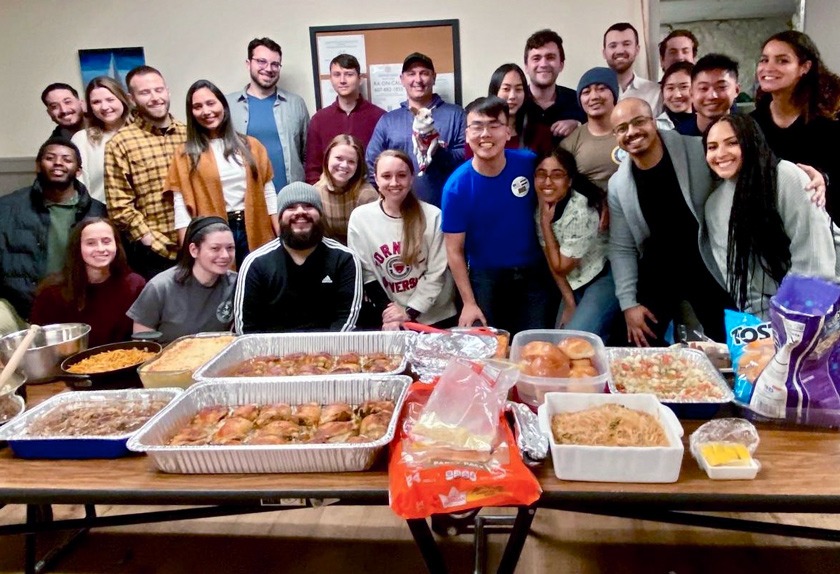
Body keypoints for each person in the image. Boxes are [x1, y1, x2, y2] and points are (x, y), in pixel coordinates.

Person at [607, 98, 734, 346]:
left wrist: (805, 174)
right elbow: (621, 247)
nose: (631, 132)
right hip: (658, 268)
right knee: (633, 343)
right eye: (622, 128)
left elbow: (746, 172)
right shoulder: (619, 185)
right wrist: (628, 303)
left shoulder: (699, 150)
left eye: (638, 122)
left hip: (708, 260)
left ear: (654, 122)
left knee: (732, 343)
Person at [702, 114, 838, 318]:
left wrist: (792, 323)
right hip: (779, 315)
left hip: (826, 296)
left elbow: (814, 263)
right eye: (712, 147)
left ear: (751, 142)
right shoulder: (714, 206)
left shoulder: (787, 177)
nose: (720, 153)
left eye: (732, 143)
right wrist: (766, 326)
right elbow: (741, 284)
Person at [442, 96, 554, 335]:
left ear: (508, 131)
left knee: (534, 347)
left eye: (494, 125)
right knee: (493, 352)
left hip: (534, 274)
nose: (485, 134)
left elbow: (562, 181)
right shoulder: (456, 187)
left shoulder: (528, 163)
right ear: (466, 133)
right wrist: (469, 303)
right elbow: (454, 250)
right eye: (477, 126)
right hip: (486, 280)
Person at [167, 79, 277, 270]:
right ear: (191, 113)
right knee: (221, 289)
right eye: (197, 106)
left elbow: (269, 196)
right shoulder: (185, 154)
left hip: (255, 227)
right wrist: (188, 252)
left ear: (223, 105)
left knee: (258, 283)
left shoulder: (252, 146)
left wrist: (280, 235)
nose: (206, 111)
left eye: (211, 103)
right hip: (213, 234)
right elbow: (181, 208)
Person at [348, 150, 456, 330]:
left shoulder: (433, 216)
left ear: (411, 178)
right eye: (386, 176)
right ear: (376, 178)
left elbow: (436, 273)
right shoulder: (360, 219)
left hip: (435, 317)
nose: (394, 182)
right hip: (390, 317)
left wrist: (409, 312)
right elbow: (366, 273)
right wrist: (390, 312)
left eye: (401, 175)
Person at [234, 182, 362, 333]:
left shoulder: (345, 259)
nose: (300, 212)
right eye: (291, 207)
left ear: (320, 215)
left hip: (330, 352)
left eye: (308, 206)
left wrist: (322, 355)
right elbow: (246, 328)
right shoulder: (255, 263)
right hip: (271, 354)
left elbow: (347, 321)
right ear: (280, 217)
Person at [0, 138, 107, 318]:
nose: (58, 163)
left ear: (79, 171)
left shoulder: (98, 212)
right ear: (38, 165)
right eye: (50, 158)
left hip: (80, 307)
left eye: (67, 159)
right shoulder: (7, 208)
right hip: (19, 308)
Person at [104, 65, 187, 280]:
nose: (155, 97)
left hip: (196, 244)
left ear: (167, 91)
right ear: (131, 99)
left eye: (159, 90)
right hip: (152, 253)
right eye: (145, 92)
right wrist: (149, 239)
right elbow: (119, 206)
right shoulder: (120, 143)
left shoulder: (190, 135)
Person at [751, 30, 840, 224]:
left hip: (820, 229)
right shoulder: (751, 125)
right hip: (769, 232)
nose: (768, 68)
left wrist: (823, 180)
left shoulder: (830, 123)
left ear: (804, 67)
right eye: (764, 60)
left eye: (782, 61)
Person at [535, 148, 619, 339]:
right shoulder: (541, 207)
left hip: (601, 276)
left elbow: (561, 267)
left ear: (569, 180)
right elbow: (551, 262)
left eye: (557, 175)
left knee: (572, 340)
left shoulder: (581, 211)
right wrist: (569, 303)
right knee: (557, 341)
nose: (547, 182)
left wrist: (545, 224)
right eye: (541, 174)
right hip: (574, 281)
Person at [365, 52, 466, 207]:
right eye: (411, 74)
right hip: (399, 211)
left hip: (445, 209)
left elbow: (466, 157)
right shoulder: (388, 120)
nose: (418, 80)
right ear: (402, 79)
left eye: (424, 73)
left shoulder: (456, 115)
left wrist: (438, 151)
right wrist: (387, 197)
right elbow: (372, 161)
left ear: (434, 77)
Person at [30, 218, 145, 347]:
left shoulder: (135, 285)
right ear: (77, 247)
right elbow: (41, 343)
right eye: (91, 243)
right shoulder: (52, 292)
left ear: (116, 245)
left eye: (106, 241)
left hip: (126, 363)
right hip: (69, 364)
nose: (101, 248)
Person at [128, 216, 237, 343]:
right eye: (215, 248)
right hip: (170, 358)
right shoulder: (160, 287)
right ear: (194, 250)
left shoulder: (236, 284)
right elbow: (142, 343)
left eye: (230, 248)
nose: (225, 255)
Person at [227, 37, 309, 190]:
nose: (269, 68)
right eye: (261, 61)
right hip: (245, 198)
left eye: (275, 64)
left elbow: (307, 155)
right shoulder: (228, 105)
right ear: (248, 64)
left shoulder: (296, 103)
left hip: (289, 200)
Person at [305, 54, 386, 183]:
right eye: (337, 75)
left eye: (349, 74)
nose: (342, 80)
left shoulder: (380, 117)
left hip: (369, 193)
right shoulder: (319, 120)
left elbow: (386, 163)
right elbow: (312, 169)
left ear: (360, 79)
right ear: (331, 79)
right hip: (329, 196)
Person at [71, 76, 133, 203]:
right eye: (96, 102)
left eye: (110, 99)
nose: (104, 107)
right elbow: (79, 187)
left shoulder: (142, 133)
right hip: (101, 214)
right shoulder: (82, 139)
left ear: (123, 99)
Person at [560, 67, 623, 191]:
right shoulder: (571, 142)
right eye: (586, 92)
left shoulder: (629, 133)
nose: (594, 96)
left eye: (601, 89)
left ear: (614, 94)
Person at [522, 29, 586, 143]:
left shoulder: (579, 101)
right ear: (526, 66)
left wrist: (578, 125)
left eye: (550, 57)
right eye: (536, 58)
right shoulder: (515, 102)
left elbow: (600, 130)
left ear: (561, 65)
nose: (543, 64)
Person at [313, 134, 377, 244]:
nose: (344, 165)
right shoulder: (315, 192)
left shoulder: (368, 195)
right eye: (339, 158)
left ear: (358, 165)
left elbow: (373, 238)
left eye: (351, 161)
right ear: (327, 158)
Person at [603, 22, 663, 116]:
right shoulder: (592, 96)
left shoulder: (656, 92)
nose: (620, 51)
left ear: (637, 50)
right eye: (613, 46)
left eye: (626, 44)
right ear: (604, 53)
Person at [675, 54, 740, 137]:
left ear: (736, 90)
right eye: (703, 88)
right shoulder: (677, 138)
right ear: (691, 93)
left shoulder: (748, 133)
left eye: (721, 87)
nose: (712, 96)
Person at [656, 62, 694, 130]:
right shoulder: (656, 127)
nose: (677, 95)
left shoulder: (706, 123)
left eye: (684, 87)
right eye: (670, 88)